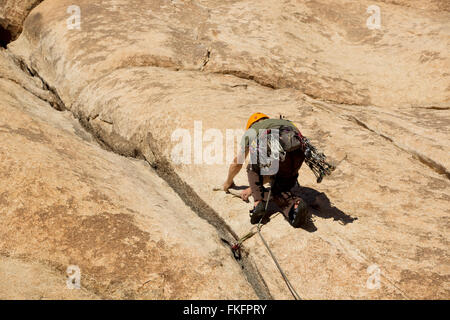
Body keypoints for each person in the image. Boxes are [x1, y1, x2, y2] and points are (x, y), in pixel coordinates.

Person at [223, 112, 309, 227]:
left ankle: (258, 202)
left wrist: (228, 182)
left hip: (275, 153)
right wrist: (251, 189)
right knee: (278, 188)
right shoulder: (285, 123)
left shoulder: (252, 130)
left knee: (252, 166)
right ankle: (294, 205)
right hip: (297, 155)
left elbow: (237, 162)